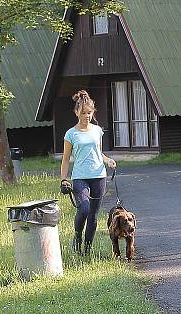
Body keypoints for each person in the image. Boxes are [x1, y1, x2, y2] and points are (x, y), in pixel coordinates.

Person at [60, 90, 117, 255]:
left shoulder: (97, 130)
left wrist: (108, 161)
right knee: (84, 208)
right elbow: (65, 159)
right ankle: (77, 236)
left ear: (93, 112)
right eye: (83, 113)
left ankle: (87, 249)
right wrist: (64, 179)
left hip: (99, 175)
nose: (86, 116)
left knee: (93, 214)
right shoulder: (71, 134)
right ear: (77, 112)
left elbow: (99, 152)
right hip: (80, 177)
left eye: (89, 113)